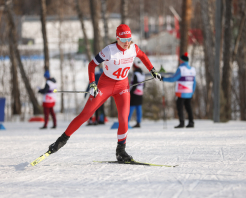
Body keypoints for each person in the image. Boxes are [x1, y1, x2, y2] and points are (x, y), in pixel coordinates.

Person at [47, 24, 162, 162]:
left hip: (122, 87)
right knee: (85, 115)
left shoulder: (133, 48)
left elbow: (143, 56)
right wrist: (92, 83)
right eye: (124, 39)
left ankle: (121, 151)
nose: (127, 42)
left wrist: (153, 70)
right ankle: (60, 141)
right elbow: (91, 65)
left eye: (129, 39)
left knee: (124, 119)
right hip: (105, 84)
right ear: (117, 38)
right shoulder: (109, 50)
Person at [162, 52, 196, 128]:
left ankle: (182, 123)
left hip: (181, 92)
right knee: (188, 107)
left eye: (180, 60)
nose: (180, 61)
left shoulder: (181, 69)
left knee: (180, 107)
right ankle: (191, 122)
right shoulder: (192, 70)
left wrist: (163, 78)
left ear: (182, 61)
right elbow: (194, 82)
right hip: (189, 92)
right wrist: (192, 91)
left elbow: (173, 78)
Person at [128, 58, 145, 128]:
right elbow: (144, 85)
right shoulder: (142, 73)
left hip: (134, 93)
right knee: (139, 108)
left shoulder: (135, 74)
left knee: (131, 108)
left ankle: (126, 122)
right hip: (140, 93)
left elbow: (134, 85)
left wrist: (130, 93)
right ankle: (138, 122)